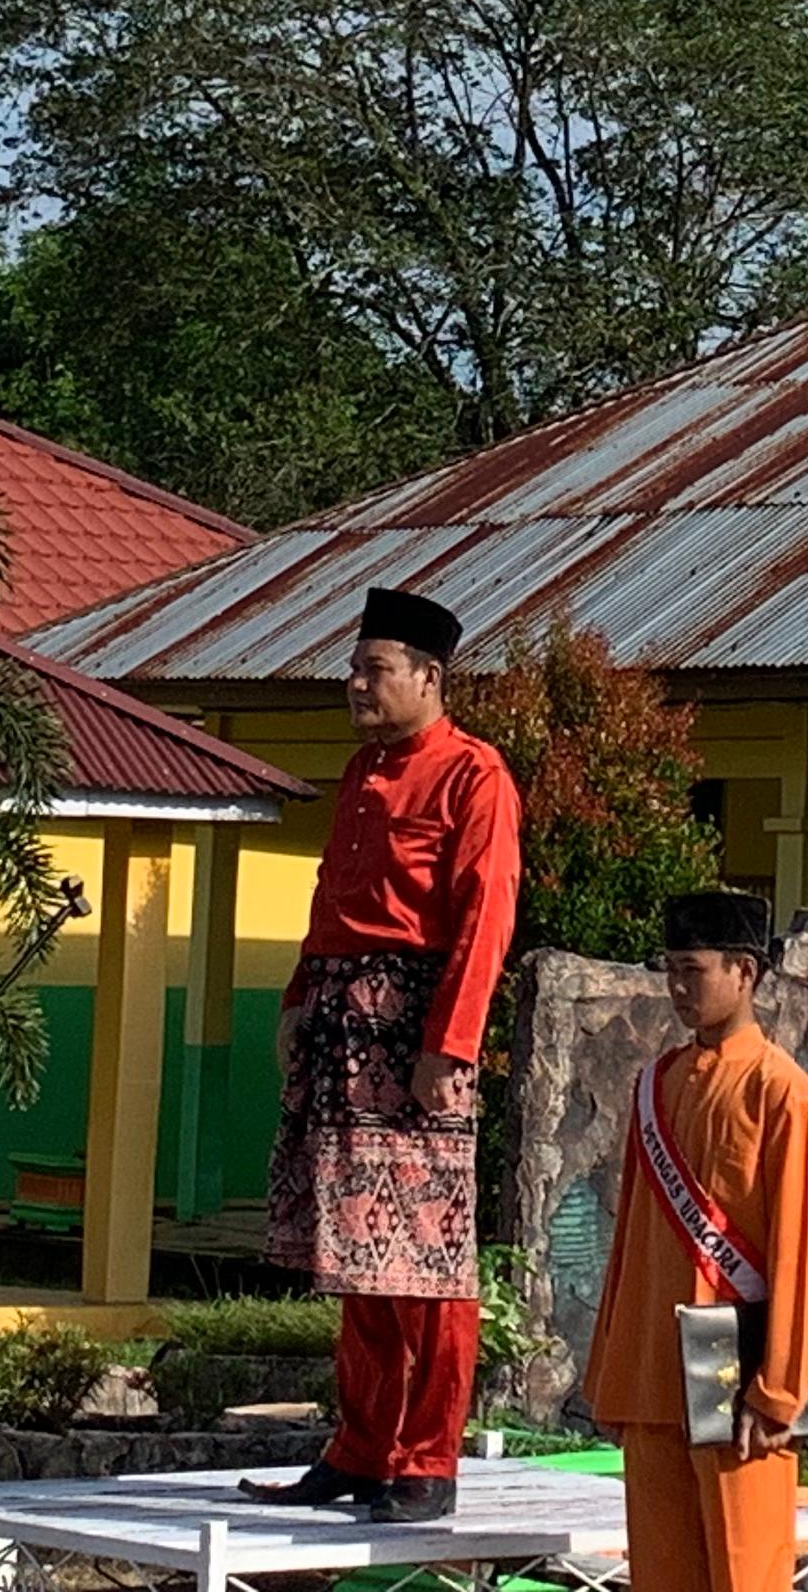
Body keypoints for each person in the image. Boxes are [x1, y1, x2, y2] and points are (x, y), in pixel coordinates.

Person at [248, 589, 524, 1522]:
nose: (357, 686)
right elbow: (331, 896)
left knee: (425, 1261)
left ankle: (425, 1459)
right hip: (339, 1021)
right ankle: (360, 1448)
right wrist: (298, 997)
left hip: (414, 1029)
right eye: (353, 669)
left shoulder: (473, 775)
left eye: (376, 669)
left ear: (429, 678)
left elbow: (485, 919)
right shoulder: (362, 773)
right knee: (357, 1252)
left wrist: (451, 1046)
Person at [584, 891, 808, 1592]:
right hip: (652, 1376)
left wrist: (779, 1390)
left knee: (744, 1575)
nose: (677, 988)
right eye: (671, 970)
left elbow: (798, 1248)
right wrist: (612, 1372)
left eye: (693, 971)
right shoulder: (654, 1084)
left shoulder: (780, 1090)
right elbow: (630, 1236)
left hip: (737, 1382)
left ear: (745, 973)